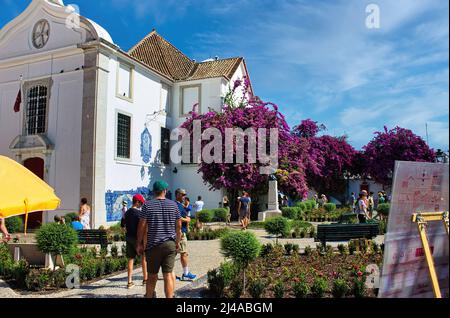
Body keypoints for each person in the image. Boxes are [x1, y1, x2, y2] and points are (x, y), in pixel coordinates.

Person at [137, 181, 182, 298]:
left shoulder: (147, 205)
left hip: (153, 246)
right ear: (165, 191)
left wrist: (139, 244)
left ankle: (149, 296)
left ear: (154, 191)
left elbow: (141, 226)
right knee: (168, 275)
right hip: (170, 244)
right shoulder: (173, 205)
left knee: (152, 276)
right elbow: (179, 225)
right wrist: (177, 241)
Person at [121, 194, 148, 289]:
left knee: (130, 259)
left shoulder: (127, 212)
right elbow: (142, 227)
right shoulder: (139, 214)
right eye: (141, 203)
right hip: (138, 239)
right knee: (144, 258)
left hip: (129, 237)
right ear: (137, 202)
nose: (141, 205)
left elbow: (122, 224)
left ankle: (129, 281)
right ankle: (145, 279)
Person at [175, 189, 197, 281]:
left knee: (180, 253)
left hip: (180, 231)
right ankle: (185, 273)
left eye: (185, 195)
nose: (184, 196)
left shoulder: (180, 205)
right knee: (183, 253)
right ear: (177, 195)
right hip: (179, 232)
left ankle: (170, 273)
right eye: (182, 194)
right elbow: (177, 217)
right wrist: (187, 220)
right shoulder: (175, 205)